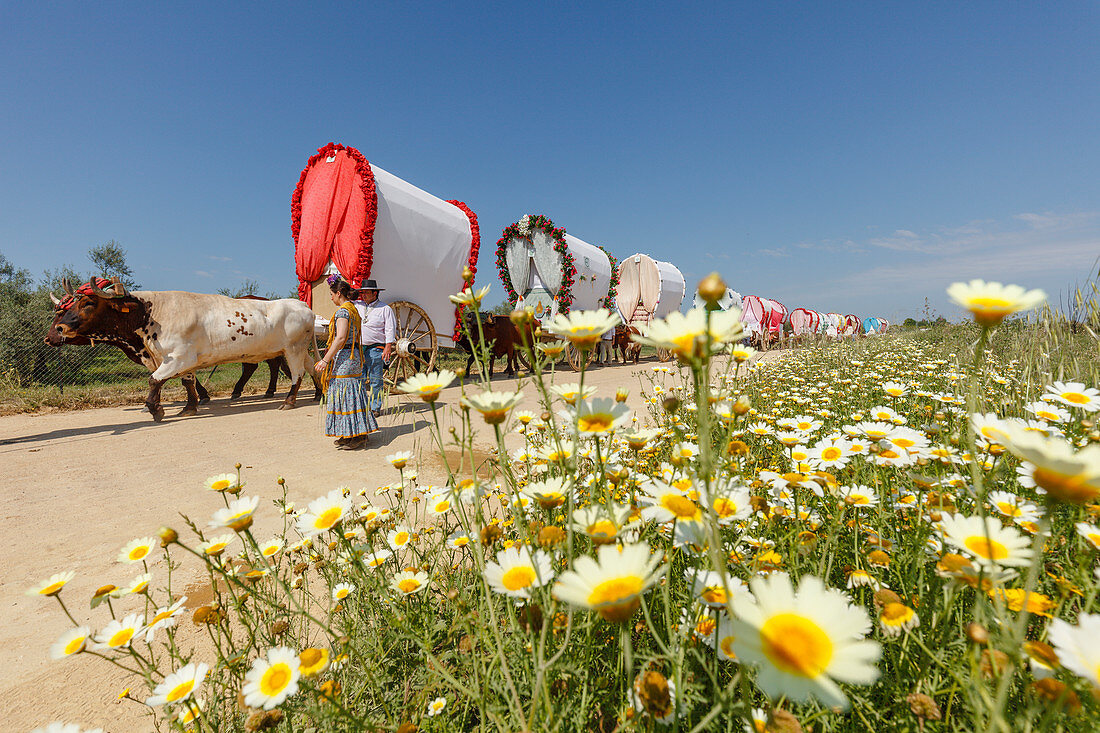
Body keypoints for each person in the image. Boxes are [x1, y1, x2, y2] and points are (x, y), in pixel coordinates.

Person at [314, 275, 378, 449]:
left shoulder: (343, 311)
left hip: (346, 358)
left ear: (339, 293)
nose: (331, 297)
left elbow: (341, 337)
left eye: (332, 294)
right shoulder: (353, 309)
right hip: (353, 356)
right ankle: (350, 432)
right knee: (350, 393)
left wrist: (326, 360)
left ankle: (358, 435)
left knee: (346, 393)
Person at [353, 279, 396, 417]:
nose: (363, 295)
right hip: (359, 349)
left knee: (375, 379)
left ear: (375, 293)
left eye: (366, 292)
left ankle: (375, 407)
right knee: (359, 378)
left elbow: (390, 329)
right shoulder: (357, 305)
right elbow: (345, 296)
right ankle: (360, 406)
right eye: (362, 292)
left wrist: (388, 346)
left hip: (376, 349)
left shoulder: (385, 309)